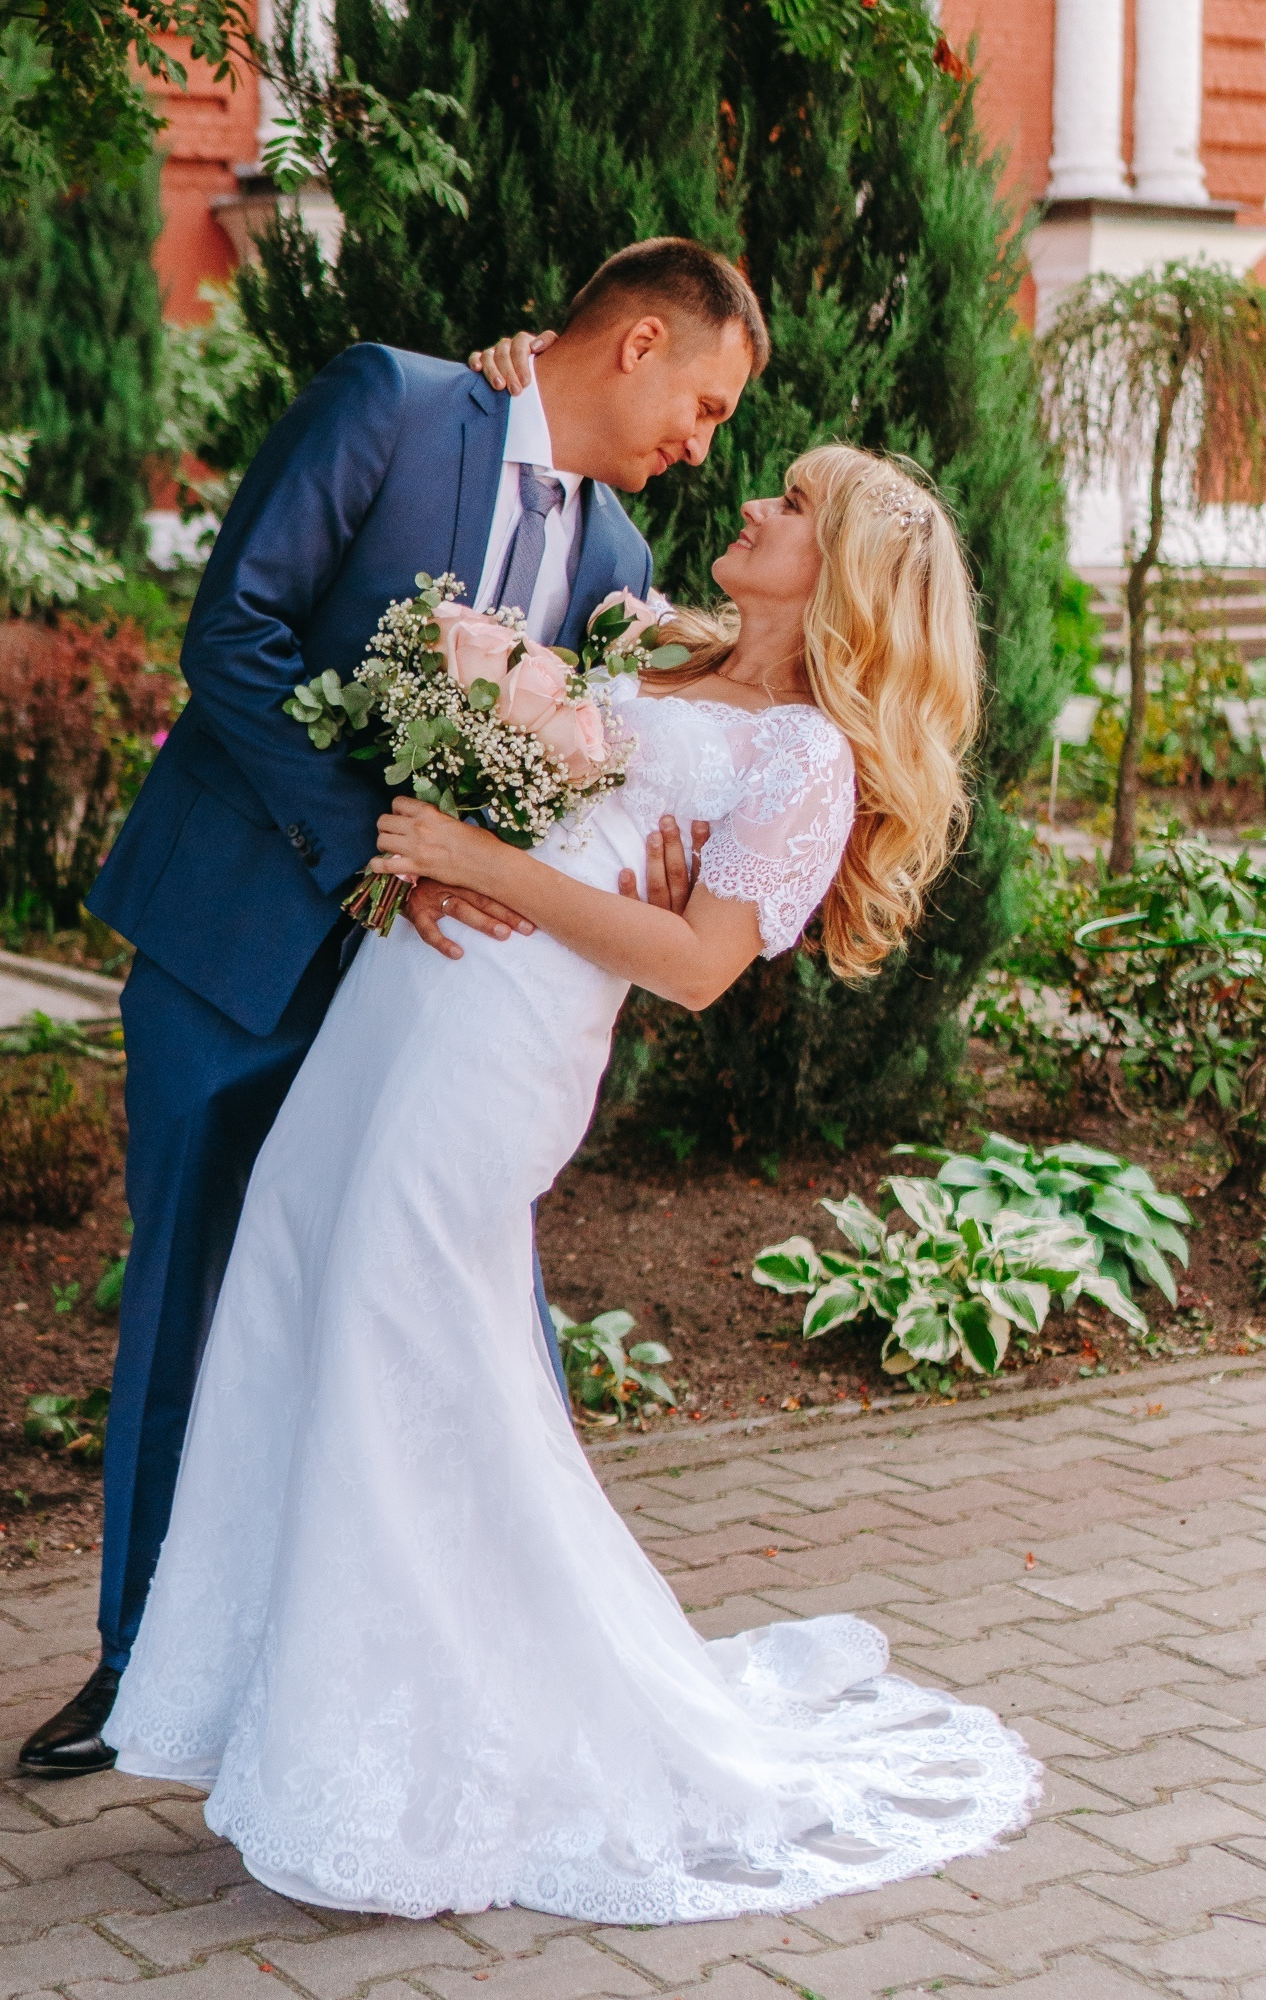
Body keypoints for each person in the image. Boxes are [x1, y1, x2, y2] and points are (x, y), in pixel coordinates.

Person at [98, 444, 1041, 1920]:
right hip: (409, 989)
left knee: (393, 1326)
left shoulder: (801, 756)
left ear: (847, 574)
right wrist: (467, 829)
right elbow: (566, 804)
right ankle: (271, 1700)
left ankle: (410, 1749)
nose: (754, 506)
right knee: (294, 1261)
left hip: (510, 1041)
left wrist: (488, 854)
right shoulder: (656, 642)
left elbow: (698, 967)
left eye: (792, 507)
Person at [17, 238, 768, 1777]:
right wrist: (380, 844)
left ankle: (440, 1663)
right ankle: (143, 1655)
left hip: (431, 1003)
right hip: (235, 935)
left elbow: (635, 752)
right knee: (196, 1288)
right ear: (633, 343)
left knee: (449, 1303)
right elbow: (232, 633)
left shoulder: (620, 565)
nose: (706, 444)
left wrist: (667, 830)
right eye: (701, 401)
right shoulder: (394, 406)